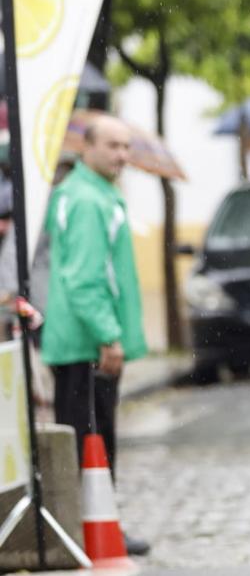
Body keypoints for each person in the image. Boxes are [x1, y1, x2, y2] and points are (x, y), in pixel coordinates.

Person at [41, 115, 150, 557]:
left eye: (127, 146)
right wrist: (108, 335)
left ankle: (90, 528)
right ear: (87, 147)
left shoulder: (91, 194)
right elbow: (86, 277)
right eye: (112, 146)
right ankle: (95, 530)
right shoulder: (89, 201)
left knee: (87, 437)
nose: (122, 155)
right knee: (94, 440)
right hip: (88, 343)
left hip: (78, 340)